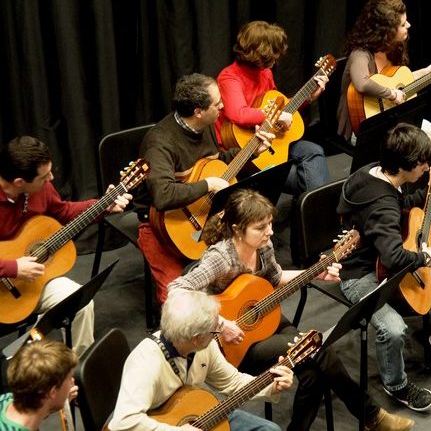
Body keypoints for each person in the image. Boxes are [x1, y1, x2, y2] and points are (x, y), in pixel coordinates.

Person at [168, 189, 414, 431]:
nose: (270, 232)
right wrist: (220, 324)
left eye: (270, 224)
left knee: (313, 372)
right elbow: (177, 289)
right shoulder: (221, 257)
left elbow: (276, 278)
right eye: (260, 227)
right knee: (317, 350)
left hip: (266, 318)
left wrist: (315, 274)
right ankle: (372, 416)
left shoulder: (263, 247)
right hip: (234, 341)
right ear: (237, 230)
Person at [337, 123, 431, 412]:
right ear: (406, 166)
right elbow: (394, 257)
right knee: (394, 329)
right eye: (424, 164)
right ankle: (396, 384)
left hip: (388, 259)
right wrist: (424, 258)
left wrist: (429, 191)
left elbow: (398, 207)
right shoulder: (381, 205)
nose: (427, 168)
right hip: (360, 274)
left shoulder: (373, 171)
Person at [136, 73, 274, 304]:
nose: (223, 105)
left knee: (237, 274)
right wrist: (208, 184)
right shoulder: (159, 142)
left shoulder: (206, 124)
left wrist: (251, 150)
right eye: (217, 102)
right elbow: (162, 195)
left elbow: (216, 161)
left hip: (205, 214)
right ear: (198, 111)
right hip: (163, 223)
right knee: (177, 298)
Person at [0, 136, 131, 356]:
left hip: (32, 284)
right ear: (20, 182)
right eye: (44, 176)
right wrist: (12, 267)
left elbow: (64, 212)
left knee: (80, 303)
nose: (51, 178)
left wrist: (102, 205)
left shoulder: (41, 188)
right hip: (5, 289)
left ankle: (76, 372)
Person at [109, 290, 294, 431]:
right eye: (215, 329)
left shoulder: (204, 346)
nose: (218, 333)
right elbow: (124, 421)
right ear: (196, 337)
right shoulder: (145, 364)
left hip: (196, 412)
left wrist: (271, 385)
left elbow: (232, 381)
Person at [216, 20, 329, 197]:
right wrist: (276, 116)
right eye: (274, 54)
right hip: (244, 150)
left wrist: (308, 98)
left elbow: (281, 106)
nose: (277, 58)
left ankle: (313, 206)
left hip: (270, 140)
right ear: (261, 53)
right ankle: (315, 207)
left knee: (314, 151)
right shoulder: (229, 77)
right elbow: (239, 114)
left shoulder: (265, 73)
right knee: (304, 181)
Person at [337, 0, 431, 143]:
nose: (409, 25)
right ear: (386, 31)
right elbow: (362, 84)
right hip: (363, 126)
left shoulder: (394, 48)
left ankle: (429, 167)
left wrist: (428, 71)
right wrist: (392, 95)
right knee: (413, 143)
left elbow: (397, 82)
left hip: (392, 117)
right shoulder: (360, 54)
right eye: (402, 24)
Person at [1, 340, 78, 431]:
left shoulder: (6, 399)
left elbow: (37, 411)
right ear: (52, 392)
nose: (72, 382)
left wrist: (60, 398)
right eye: (69, 378)